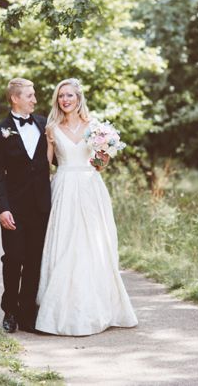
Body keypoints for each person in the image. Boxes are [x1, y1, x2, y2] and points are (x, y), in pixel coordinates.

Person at [35, 78, 138, 336]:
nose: (65, 100)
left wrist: (105, 152)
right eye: (61, 96)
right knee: (65, 243)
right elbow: (45, 166)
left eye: (70, 95)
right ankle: (60, 311)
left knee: (93, 244)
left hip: (91, 188)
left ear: (79, 98)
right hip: (64, 188)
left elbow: (99, 165)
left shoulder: (95, 127)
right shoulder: (51, 128)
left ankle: (99, 308)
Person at [0, 78, 51, 333]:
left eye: (34, 95)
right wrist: (2, 208)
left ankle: (27, 314)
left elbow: (58, 156)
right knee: (13, 259)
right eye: (30, 95)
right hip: (13, 208)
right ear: (15, 98)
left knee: (34, 260)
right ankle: (10, 310)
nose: (35, 100)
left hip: (41, 206)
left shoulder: (45, 124)